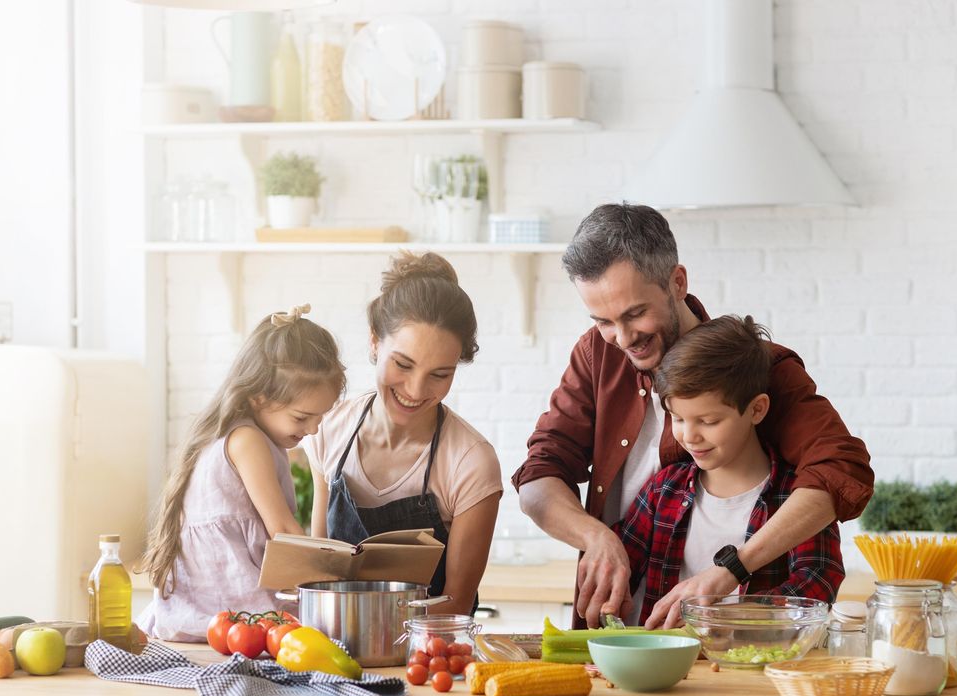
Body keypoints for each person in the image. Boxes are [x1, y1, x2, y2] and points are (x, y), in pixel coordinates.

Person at [512, 203, 873, 629]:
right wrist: (596, 538)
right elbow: (538, 477)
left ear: (677, 282)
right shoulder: (597, 353)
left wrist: (731, 573)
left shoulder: (757, 368)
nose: (623, 338)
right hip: (629, 633)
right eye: (603, 321)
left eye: (634, 314)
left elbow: (840, 469)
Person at [614, 315, 845, 626]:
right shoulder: (662, 490)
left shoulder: (796, 498)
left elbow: (818, 582)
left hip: (756, 668)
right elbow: (621, 571)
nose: (689, 436)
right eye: (678, 418)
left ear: (756, 409)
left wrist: (724, 618)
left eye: (708, 421)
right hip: (663, 669)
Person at [306, 252, 502, 617]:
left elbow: (456, 605)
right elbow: (320, 572)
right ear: (374, 342)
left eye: (440, 374)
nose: (415, 389)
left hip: (428, 656)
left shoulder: (471, 461)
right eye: (403, 364)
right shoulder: (328, 430)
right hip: (334, 650)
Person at [137, 305, 345, 641]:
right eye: (302, 417)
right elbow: (282, 529)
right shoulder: (247, 440)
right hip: (230, 606)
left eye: (320, 417)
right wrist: (327, 580)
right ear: (259, 397)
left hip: (209, 607)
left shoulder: (243, 433)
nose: (313, 428)